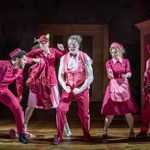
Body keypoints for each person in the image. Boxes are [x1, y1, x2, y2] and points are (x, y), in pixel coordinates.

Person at [24, 33, 72, 136]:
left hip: (51, 81)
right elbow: (24, 58)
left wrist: (63, 50)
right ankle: (24, 126)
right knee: (31, 105)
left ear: (48, 43)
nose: (42, 45)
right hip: (38, 82)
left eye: (44, 43)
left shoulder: (54, 51)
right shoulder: (36, 52)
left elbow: (65, 57)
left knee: (59, 107)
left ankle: (66, 127)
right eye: (41, 43)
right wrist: (34, 60)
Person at [53, 35, 94, 145]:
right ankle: (59, 136)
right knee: (60, 110)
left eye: (73, 44)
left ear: (78, 45)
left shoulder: (85, 57)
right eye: (69, 44)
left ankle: (86, 134)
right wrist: (64, 86)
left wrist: (80, 89)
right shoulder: (64, 58)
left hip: (82, 88)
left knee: (84, 114)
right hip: (68, 88)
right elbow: (60, 75)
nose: (71, 46)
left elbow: (90, 77)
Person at [101, 42, 138, 140]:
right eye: (112, 52)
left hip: (124, 88)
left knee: (127, 111)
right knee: (111, 111)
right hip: (113, 88)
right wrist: (110, 74)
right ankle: (105, 130)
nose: (114, 54)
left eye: (116, 52)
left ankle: (131, 131)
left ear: (121, 51)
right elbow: (109, 74)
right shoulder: (108, 63)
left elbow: (129, 72)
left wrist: (127, 75)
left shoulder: (126, 61)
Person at [0, 48, 29, 144]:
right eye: (24, 59)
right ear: (17, 60)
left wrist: (20, 95)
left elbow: (19, 82)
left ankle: (21, 135)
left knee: (18, 109)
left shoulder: (20, 70)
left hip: (3, 91)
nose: (26, 61)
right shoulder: (2, 64)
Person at [136, 47, 150, 139]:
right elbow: (146, 74)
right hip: (149, 90)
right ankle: (143, 131)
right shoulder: (148, 61)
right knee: (146, 111)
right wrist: (144, 86)